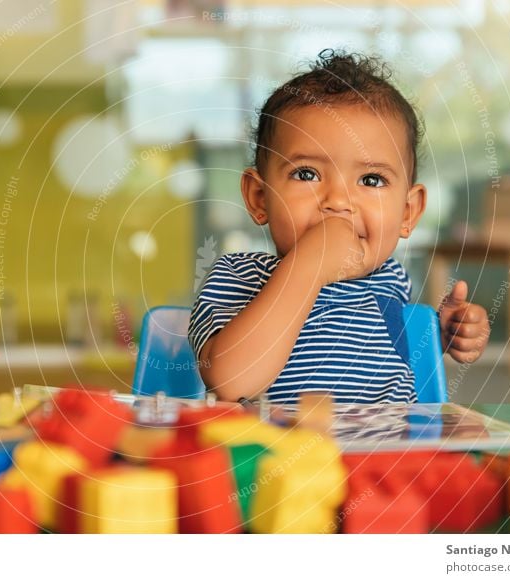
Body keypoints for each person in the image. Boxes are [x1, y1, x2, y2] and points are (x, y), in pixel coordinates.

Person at [188, 49, 490, 405]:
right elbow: (232, 382)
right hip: (272, 455)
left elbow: (385, 359)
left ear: (408, 212)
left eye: (371, 180)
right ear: (259, 197)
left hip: (381, 456)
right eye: (306, 174)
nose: (338, 201)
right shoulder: (238, 278)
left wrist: (440, 333)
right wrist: (310, 262)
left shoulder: (390, 281)